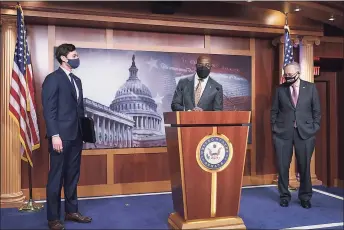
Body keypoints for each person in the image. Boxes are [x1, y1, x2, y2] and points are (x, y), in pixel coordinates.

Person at [42, 43, 92, 230]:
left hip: (76, 136)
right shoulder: (53, 79)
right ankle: (53, 218)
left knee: (72, 176)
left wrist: (84, 133)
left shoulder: (77, 80)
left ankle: (71, 211)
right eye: (74, 54)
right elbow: (49, 110)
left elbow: (79, 109)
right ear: (63, 58)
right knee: (56, 177)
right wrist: (54, 135)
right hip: (60, 137)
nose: (77, 57)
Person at [271, 61, 321, 209]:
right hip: (282, 133)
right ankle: (284, 196)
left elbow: (316, 111)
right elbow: (273, 111)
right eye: (286, 75)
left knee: (304, 166)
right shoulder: (280, 90)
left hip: (305, 133)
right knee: (282, 166)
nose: (288, 77)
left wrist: (314, 128)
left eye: (291, 75)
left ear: (298, 73)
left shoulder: (310, 88)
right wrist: (274, 127)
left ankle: (305, 197)